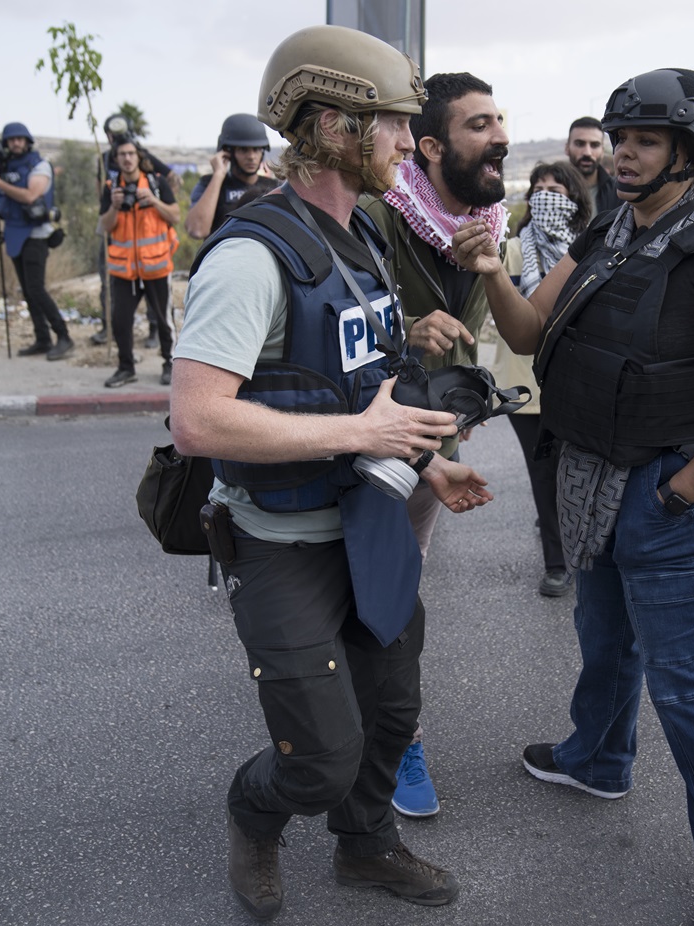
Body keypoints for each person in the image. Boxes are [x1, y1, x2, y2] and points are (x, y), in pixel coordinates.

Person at [452, 68, 694, 926]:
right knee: (603, 637)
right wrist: (494, 269)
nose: (622, 154)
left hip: (675, 495)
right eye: (619, 139)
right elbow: (530, 332)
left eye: (644, 140)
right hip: (592, 479)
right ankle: (599, 759)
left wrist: (677, 496)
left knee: (688, 690)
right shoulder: (610, 226)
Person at [169, 24, 490, 920]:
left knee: (391, 715)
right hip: (282, 540)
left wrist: (425, 464)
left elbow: (364, 381)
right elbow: (197, 420)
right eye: (389, 123)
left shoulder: (361, 236)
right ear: (332, 124)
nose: (404, 141)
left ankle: (365, 847)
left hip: (369, 523)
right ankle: (254, 814)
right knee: (317, 756)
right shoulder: (252, 254)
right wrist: (365, 429)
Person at [363, 71, 510, 820]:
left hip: (431, 442)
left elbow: (489, 332)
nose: (501, 137)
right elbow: (340, 327)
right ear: (430, 144)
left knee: (397, 588)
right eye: (479, 124)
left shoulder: (490, 222)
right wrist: (404, 335)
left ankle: (394, 736)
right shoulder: (376, 215)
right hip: (357, 434)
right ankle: (353, 735)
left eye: (501, 122)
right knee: (350, 587)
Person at [497, 161, 592, 597]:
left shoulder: (594, 251)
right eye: (540, 188)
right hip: (526, 384)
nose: (547, 194)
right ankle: (558, 563)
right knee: (545, 476)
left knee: (582, 472)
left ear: (575, 199)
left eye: (558, 188)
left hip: (579, 380)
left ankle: (586, 552)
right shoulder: (513, 251)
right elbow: (502, 316)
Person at [0, 122, 73, 360]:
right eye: (11, 140)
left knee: (36, 288)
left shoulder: (39, 165)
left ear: (28, 141)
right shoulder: (4, 166)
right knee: (28, 292)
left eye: (20, 139)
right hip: (13, 232)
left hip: (36, 234)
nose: (16, 143)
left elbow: (31, 195)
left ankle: (64, 336)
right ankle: (42, 338)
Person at [97, 139, 180, 388]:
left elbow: (175, 215)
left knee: (165, 320)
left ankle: (170, 364)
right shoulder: (111, 188)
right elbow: (104, 226)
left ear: (138, 157)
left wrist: (153, 201)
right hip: (124, 270)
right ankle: (126, 368)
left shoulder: (156, 183)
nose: (127, 158)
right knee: (120, 321)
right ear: (116, 159)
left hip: (156, 266)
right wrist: (114, 205)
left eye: (131, 153)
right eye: (121, 154)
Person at [185, 114, 280, 240]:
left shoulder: (273, 187)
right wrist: (218, 175)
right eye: (243, 150)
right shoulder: (209, 184)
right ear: (228, 152)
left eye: (256, 149)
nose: (251, 156)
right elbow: (197, 230)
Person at [565, 116, 621, 216]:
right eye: (580, 144)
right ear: (567, 148)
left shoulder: (618, 192)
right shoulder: (552, 190)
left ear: (602, 151)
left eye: (594, 145)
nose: (587, 153)